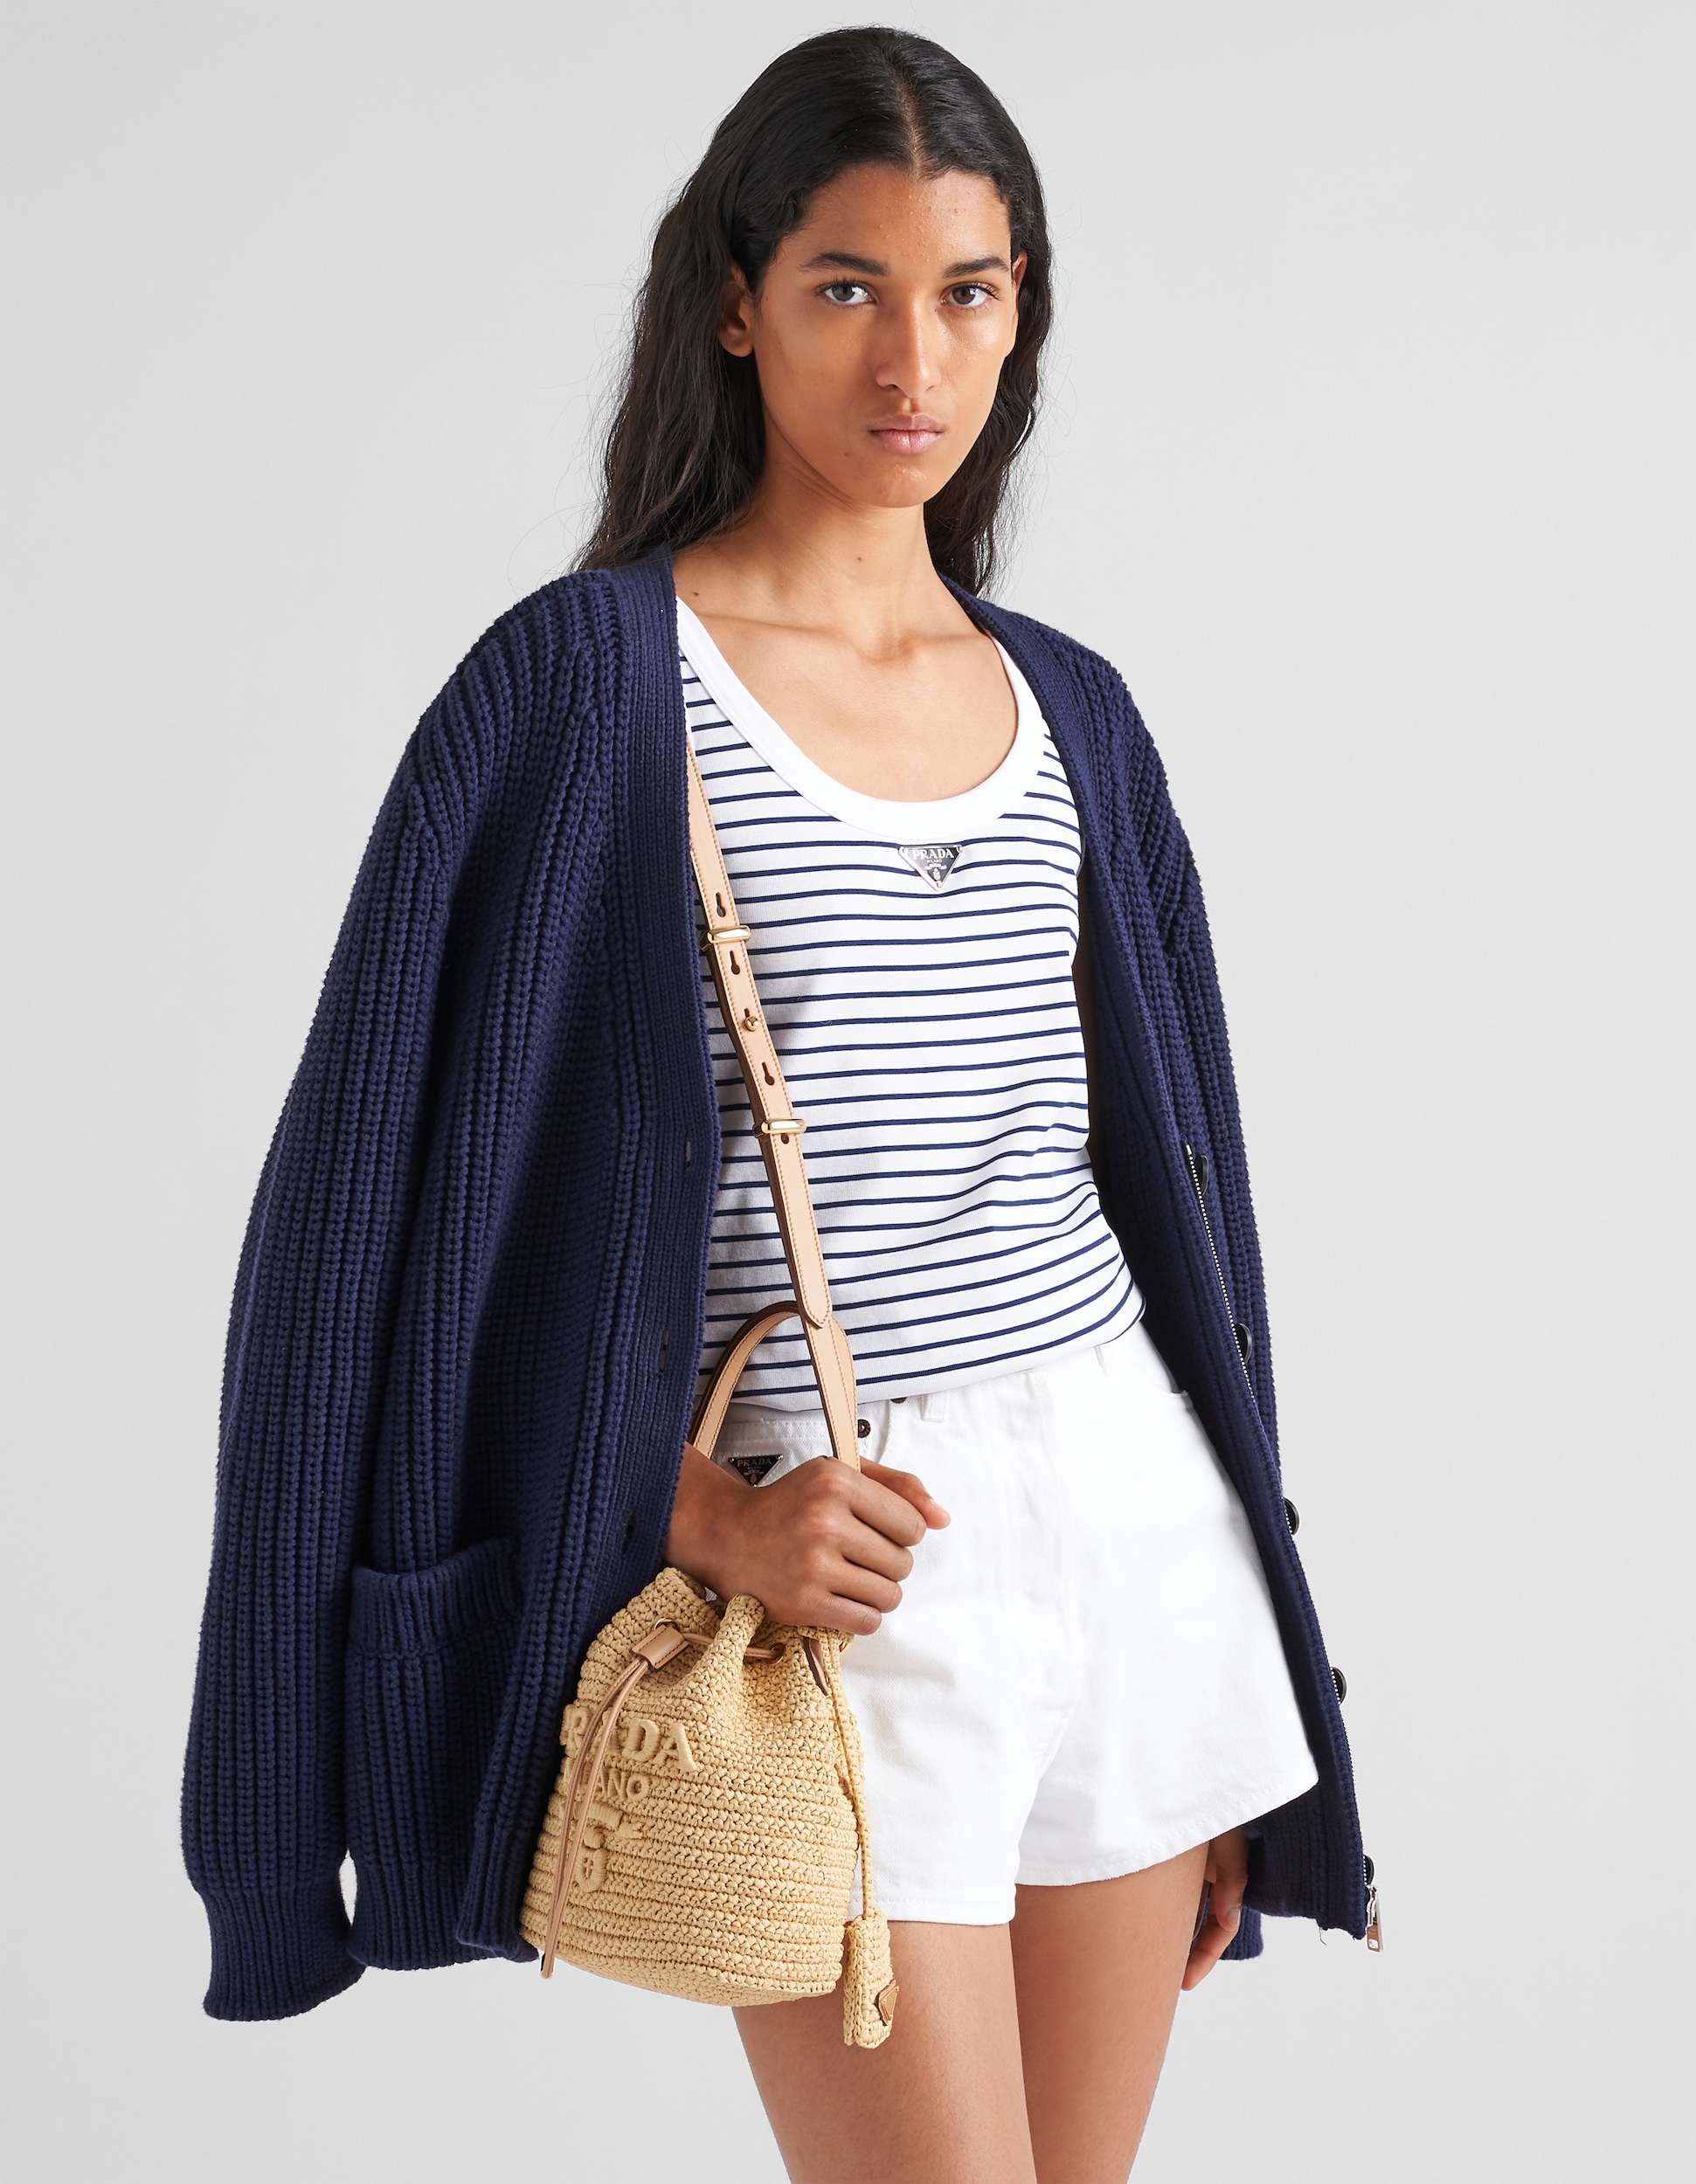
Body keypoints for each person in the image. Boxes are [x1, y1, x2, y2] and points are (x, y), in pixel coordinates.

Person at [183, 26, 1369, 2184]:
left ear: (1019, 308)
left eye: (967, 291)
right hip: (844, 1579)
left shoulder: (1072, 712)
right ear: (736, 302)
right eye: (846, 286)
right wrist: (689, 1507)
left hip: (1132, 1523)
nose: (913, 359)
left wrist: (1224, 1641)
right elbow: (365, 1236)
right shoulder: (580, 689)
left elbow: (1172, 1199)